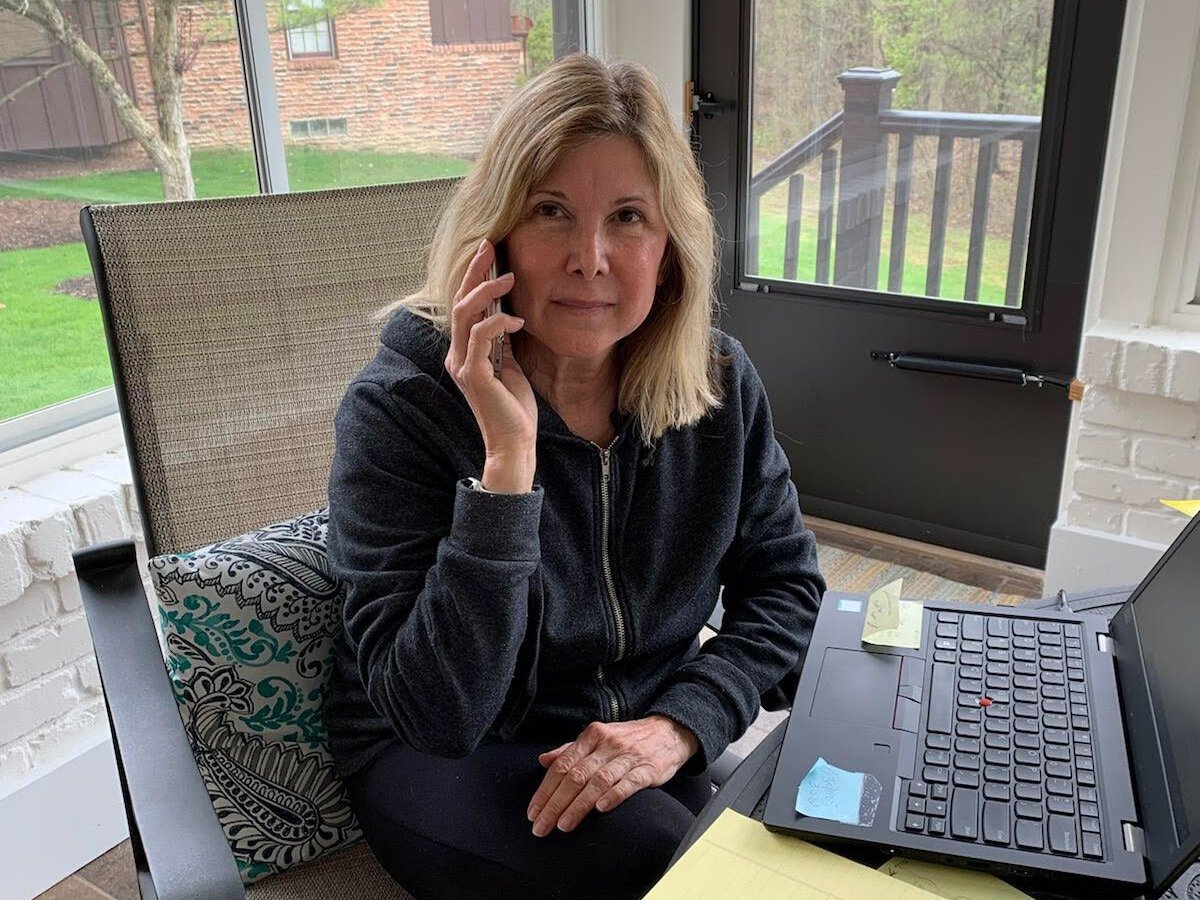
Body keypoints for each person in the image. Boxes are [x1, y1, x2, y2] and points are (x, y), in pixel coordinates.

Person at [325, 53, 826, 900]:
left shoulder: (717, 383)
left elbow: (788, 591)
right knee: (680, 869)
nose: (591, 258)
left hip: (638, 724)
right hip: (446, 749)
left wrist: (681, 722)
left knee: (814, 837)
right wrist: (506, 474)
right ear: (495, 238)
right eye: (551, 211)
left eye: (628, 217)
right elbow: (436, 711)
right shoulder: (398, 408)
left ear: (669, 250)